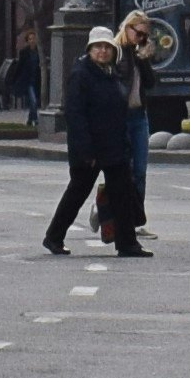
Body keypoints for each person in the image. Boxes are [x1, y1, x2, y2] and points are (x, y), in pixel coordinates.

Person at [44, 16, 151, 258]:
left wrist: (124, 143)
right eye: (98, 47)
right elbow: (75, 115)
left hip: (113, 146)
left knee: (122, 193)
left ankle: (127, 244)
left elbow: (118, 111)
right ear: (90, 50)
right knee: (77, 193)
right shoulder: (81, 74)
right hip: (90, 149)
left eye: (106, 47)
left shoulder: (110, 73)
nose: (103, 51)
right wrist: (85, 150)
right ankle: (53, 237)